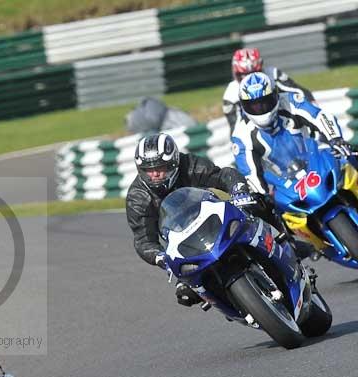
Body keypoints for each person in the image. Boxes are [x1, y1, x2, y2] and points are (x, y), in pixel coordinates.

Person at [125, 132, 257, 307]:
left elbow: (223, 175)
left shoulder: (189, 165)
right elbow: (143, 240)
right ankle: (236, 305)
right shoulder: (137, 198)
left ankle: (287, 242)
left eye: (160, 168)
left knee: (259, 204)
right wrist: (160, 257)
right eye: (149, 170)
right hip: (182, 243)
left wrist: (238, 192)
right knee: (187, 293)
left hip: (211, 217)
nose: (155, 174)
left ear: (173, 163)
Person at [230, 71, 351, 196]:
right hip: (285, 187)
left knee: (349, 163)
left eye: (265, 102)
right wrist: (262, 196)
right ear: (243, 105)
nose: (261, 108)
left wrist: (336, 139)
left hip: (318, 162)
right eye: (254, 106)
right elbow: (250, 174)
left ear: (276, 96)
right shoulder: (241, 136)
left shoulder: (291, 101)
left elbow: (320, 116)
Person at [223, 48, 314, 133]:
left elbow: (299, 91)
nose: (252, 80)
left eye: (255, 73)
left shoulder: (273, 74)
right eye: (244, 75)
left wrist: (312, 109)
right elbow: (235, 128)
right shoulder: (230, 95)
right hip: (256, 133)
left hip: (287, 123)